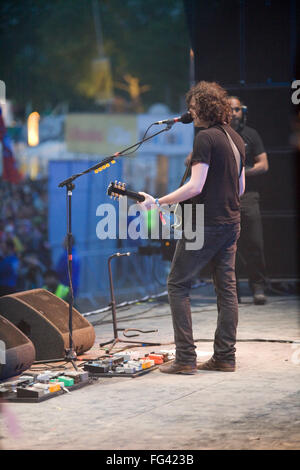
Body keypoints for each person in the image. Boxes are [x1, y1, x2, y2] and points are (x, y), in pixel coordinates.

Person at [138, 81, 245, 374]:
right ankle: (225, 356)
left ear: (202, 107)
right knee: (227, 291)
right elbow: (241, 187)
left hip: (206, 225)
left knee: (177, 284)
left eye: (193, 106)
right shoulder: (235, 138)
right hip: (231, 223)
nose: (190, 111)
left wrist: (158, 202)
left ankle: (185, 358)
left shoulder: (205, 139)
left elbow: (195, 185)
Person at [228, 96, 269, 305]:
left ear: (242, 111)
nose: (233, 113)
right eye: (229, 109)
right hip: (225, 198)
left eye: (236, 109)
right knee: (228, 246)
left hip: (249, 197)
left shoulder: (251, 135)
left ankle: (258, 286)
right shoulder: (218, 135)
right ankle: (232, 291)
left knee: (254, 243)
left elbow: (264, 164)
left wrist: (243, 173)